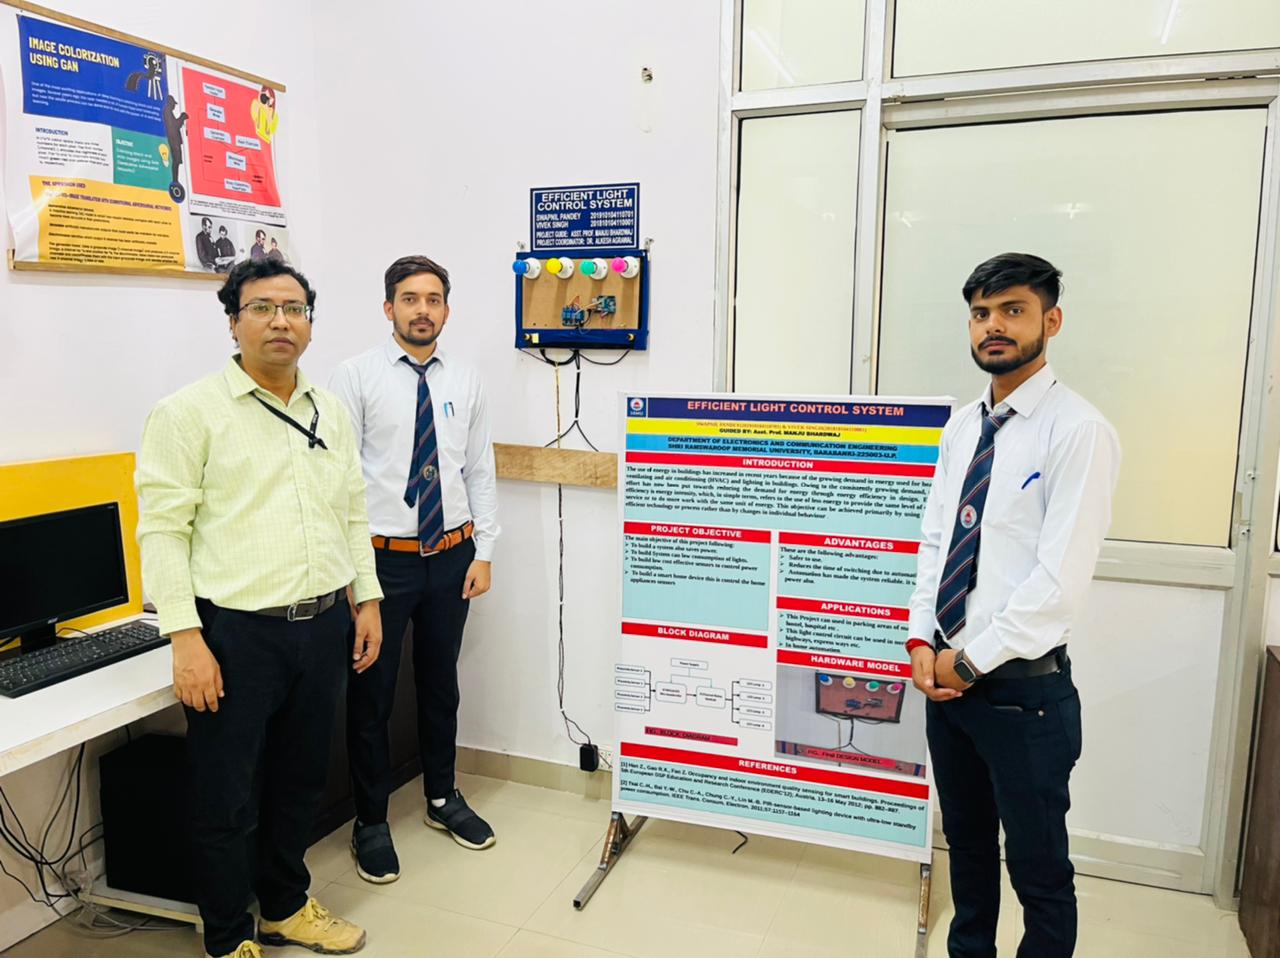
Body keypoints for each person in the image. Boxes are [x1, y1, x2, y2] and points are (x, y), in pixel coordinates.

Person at [137, 258, 384, 958]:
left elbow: (351, 511)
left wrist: (366, 596)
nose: (281, 321)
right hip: (236, 634)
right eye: (263, 308)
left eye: (295, 308)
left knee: (301, 780)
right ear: (233, 322)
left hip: (324, 623)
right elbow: (162, 530)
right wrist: (185, 637)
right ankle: (226, 935)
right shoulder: (187, 413)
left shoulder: (328, 408)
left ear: (309, 323)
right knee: (227, 793)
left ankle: (284, 905)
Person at [906, 252, 1119, 958]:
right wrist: (920, 639)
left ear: (1051, 321)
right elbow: (936, 542)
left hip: (1024, 698)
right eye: (981, 313)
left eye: (1012, 310)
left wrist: (968, 661)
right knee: (968, 855)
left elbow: (1058, 585)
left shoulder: (1077, 430)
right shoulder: (962, 426)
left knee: (1039, 872)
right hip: (949, 690)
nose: (993, 326)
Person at [329, 254, 499, 883]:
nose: (422, 310)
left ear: (446, 310)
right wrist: (356, 575)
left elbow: (478, 469)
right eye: (409, 299)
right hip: (382, 561)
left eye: (433, 299)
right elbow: (341, 481)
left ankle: (441, 797)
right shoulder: (355, 377)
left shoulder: (467, 380)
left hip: (452, 557)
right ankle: (371, 820)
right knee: (372, 695)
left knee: (440, 684)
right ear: (388, 308)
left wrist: (485, 551)